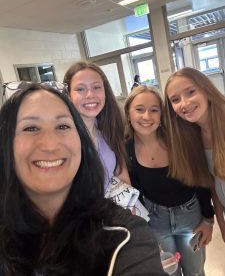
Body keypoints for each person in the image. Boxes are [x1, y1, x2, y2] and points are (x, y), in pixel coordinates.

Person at [0, 83, 168, 276]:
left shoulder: (124, 235)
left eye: (63, 126)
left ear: (81, 143)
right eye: (30, 128)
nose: (50, 144)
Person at [124, 85, 214, 276]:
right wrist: (145, 232)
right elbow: (136, 195)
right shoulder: (126, 150)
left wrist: (208, 219)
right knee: (168, 272)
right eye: (139, 109)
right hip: (155, 221)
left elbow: (200, 179)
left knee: (195, 272)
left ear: (162, 115)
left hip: (190, 216)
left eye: (154, 110)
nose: (147, 116)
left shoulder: (177, 140)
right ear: (128, 114)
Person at [164, 67, 225, 242]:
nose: (184, 103)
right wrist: (220, 222)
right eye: (175, 99)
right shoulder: (193, 138)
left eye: (190, 92)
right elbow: (213, 184)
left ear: (206, 89)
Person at [64, 61, 130, 191]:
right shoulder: (63, 139)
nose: (90, 95)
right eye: (80, 89)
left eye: (96, 87)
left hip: (116, 209)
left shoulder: (107, 128)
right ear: (69, 95)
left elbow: (121, 172)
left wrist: (129, 207)